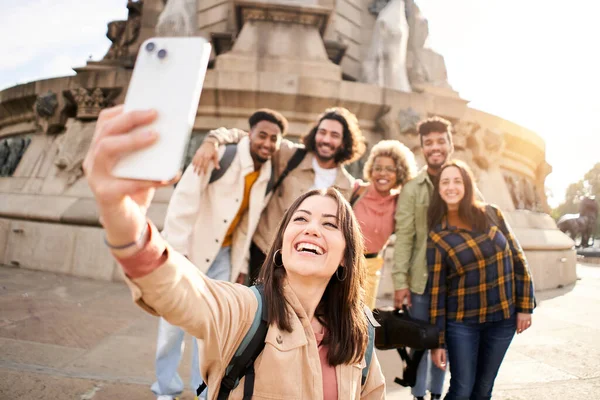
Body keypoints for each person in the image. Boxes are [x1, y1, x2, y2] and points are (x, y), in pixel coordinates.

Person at [82, 105, 386, 399]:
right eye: (301, 218)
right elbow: (184, 296)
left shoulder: (360, 335)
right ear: (281, 243)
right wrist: (123, 221)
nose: (312, 229)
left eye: (330, 224)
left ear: (347, 254)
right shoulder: (247, 310)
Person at [151, 109, 287, 399]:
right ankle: (165, 388)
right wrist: (176, 253)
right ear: (249, 133)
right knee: (173, 324)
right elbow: (182, 202)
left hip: (224, 256)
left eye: (274, 138)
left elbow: (244, 227)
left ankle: (203, 390)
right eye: (262, 135)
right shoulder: (219, 154)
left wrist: (238, 265)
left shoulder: (267, 170)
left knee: (214, 326)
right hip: (190, 252)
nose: (267, 142)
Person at [192, 107, 366, 282]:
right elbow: (248, 137)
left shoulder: (347, 186)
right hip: (265, 252)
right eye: (322, 132)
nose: (326, 140)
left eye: (334, 135)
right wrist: (212, 141)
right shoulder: (290, 155)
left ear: (344, 142)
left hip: (306, 259)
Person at [427, 160, 535, 400]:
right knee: (462, 390)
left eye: (457, 181)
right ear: (439, 189)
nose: (451, 187)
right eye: (445, 182)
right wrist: (438, 341)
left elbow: (518, 257)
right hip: (463, 324)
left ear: (467, 184)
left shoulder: (492, 213)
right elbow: (437, 292)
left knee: (484, 389)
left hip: (503, 319)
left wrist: (525, 306)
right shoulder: (438, 235)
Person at [392, 116, 454, 400]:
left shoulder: (461, 182)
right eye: (428, 143)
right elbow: (405, 237)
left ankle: (437, 394)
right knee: (420, 342)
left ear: (450, 144)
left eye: (441, 141)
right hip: (422, 280)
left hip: (456, 281)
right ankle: (418, 396)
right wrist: (400, 281)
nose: (435, 147)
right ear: (422, 148)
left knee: (445, 341)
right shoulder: (412, 188)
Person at [351, 140, 416, 309]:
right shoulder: (356, 191)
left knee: (362, 325)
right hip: (343, 266)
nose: (382, 174)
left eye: (390, 169)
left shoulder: (399, 203)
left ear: (399, 172)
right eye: (378, 168)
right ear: (371, 170)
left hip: (371, 270)